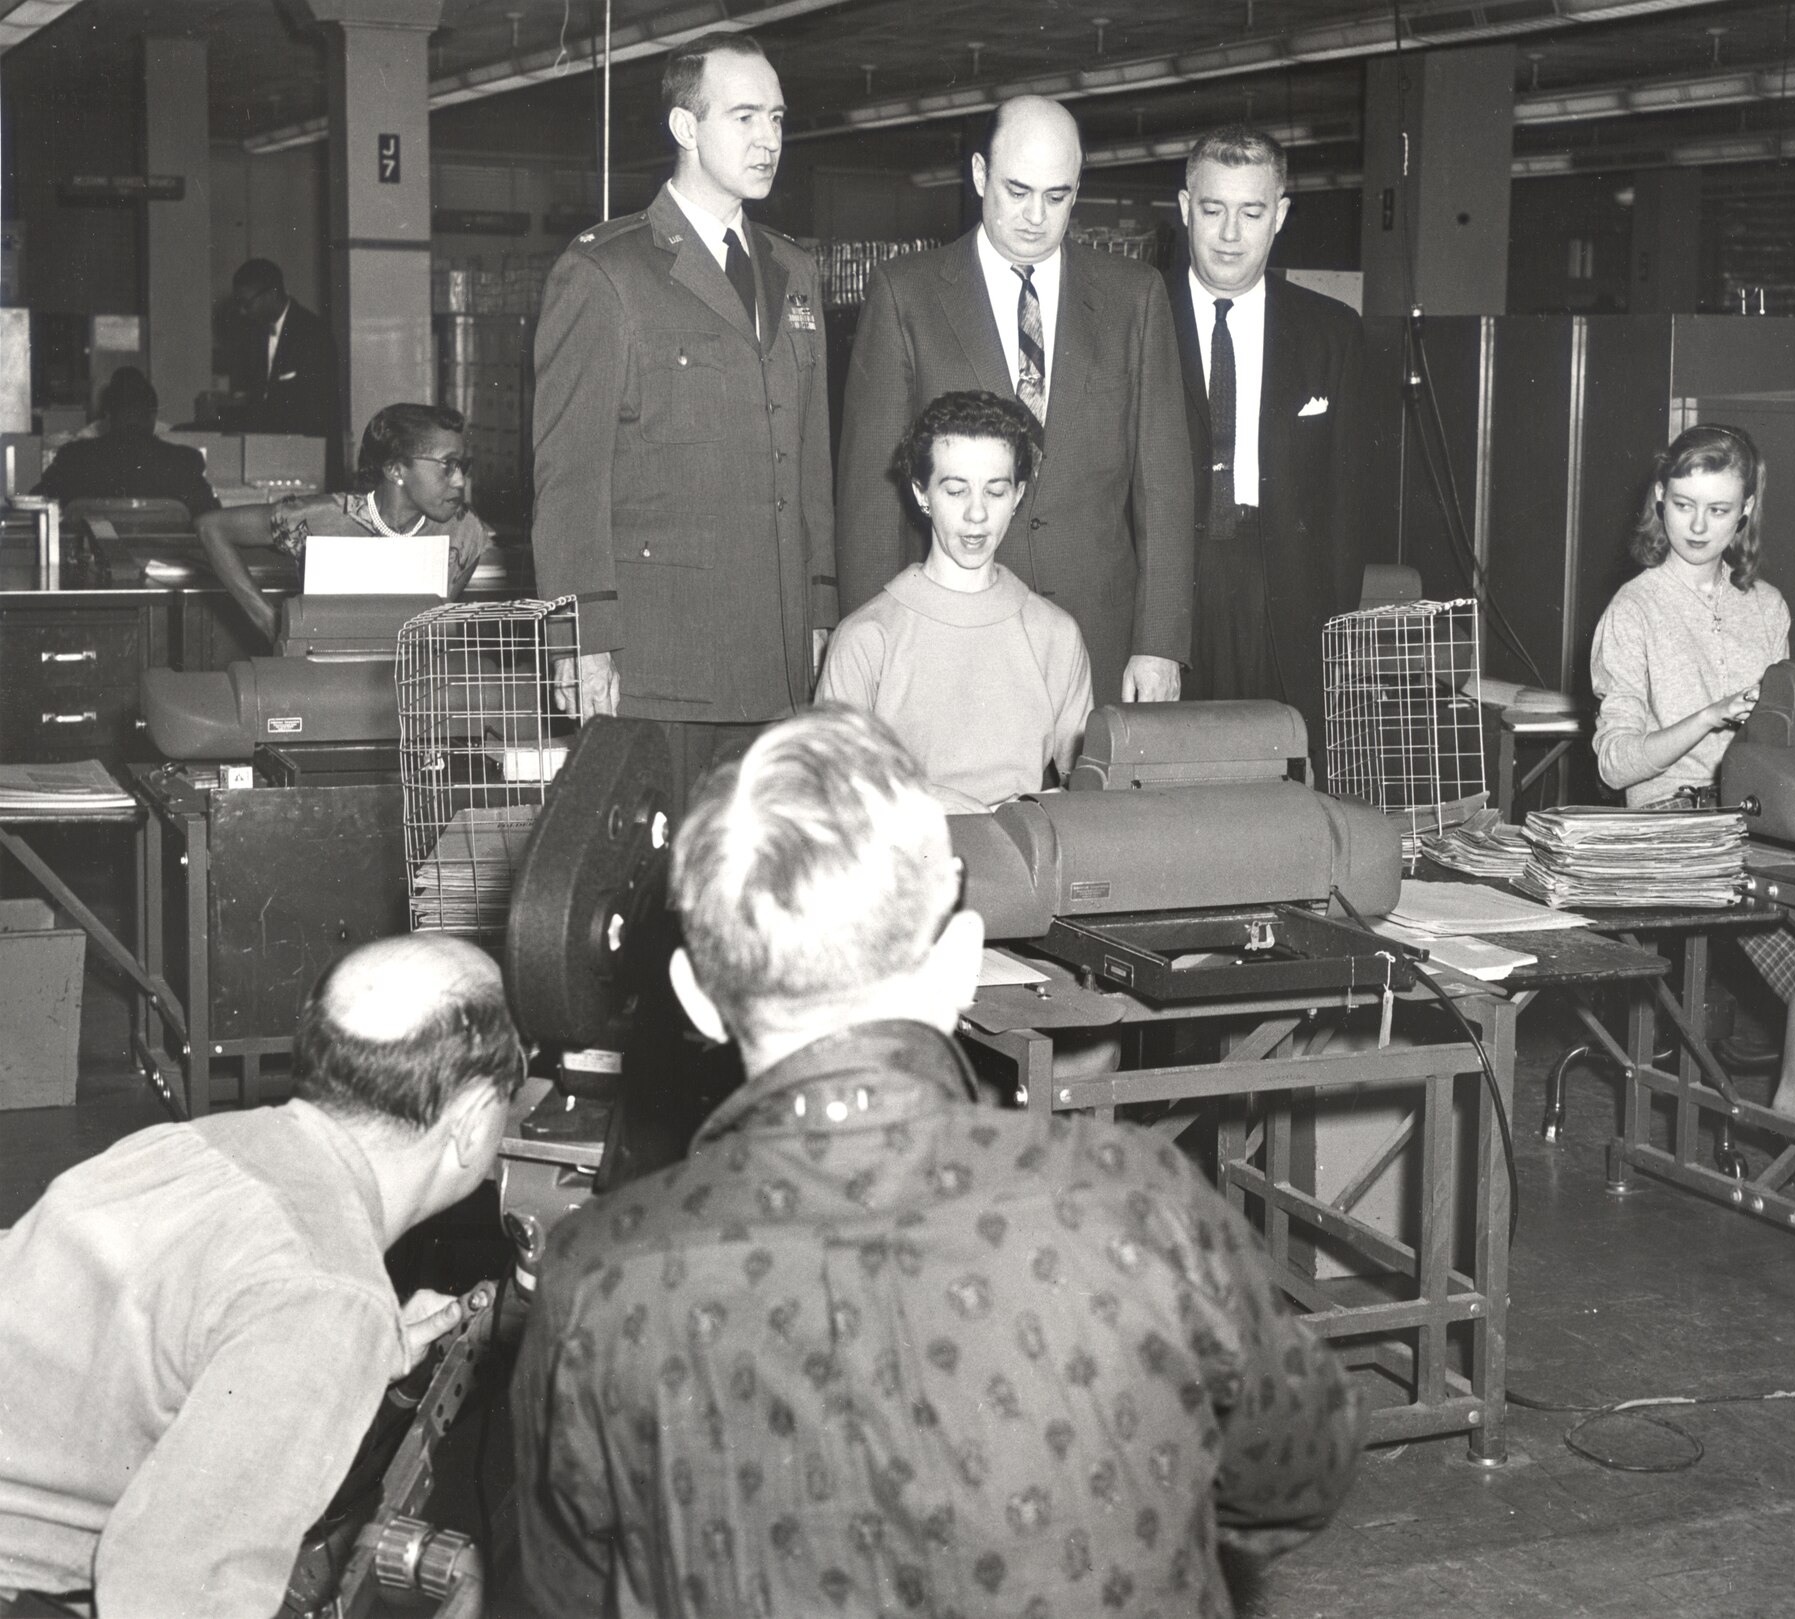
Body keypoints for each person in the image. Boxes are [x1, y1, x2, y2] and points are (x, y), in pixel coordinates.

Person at [512, 705, 1365, 1617]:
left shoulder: (598, 1285)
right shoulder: (1138, 1204)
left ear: (698, 996)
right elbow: (1301, 1471)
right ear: (961, 960)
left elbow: (566, 1590)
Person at [0, 936, 523, 1618]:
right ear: (474, 1120)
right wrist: (331, 1333)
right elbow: (170, 1593)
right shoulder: (325, 1297)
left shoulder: (201, 1142)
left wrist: (348, 1349)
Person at [531, 30, 835, 823]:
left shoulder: (793, 271)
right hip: (662, 663)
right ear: (684, 128)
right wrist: (582, 637)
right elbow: (570, 477)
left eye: (776, 117)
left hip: (775, 659)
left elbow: (810, 465)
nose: (769, 139)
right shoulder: (608, 272)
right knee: (658, 894)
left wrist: (822, 611)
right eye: (744, 117)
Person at [1590, 423, 1795, 1129]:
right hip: (1673, 818)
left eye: (1719, 509)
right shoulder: (1634, 609)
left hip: (1754, 810)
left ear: (1746, 513)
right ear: (1658, 503)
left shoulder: (1767, 606)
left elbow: (1786, 739)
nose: (1698, 525)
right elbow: (1615, 764)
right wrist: (1706, 717)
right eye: (1682, 504)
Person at [836, 95, 1194, 711]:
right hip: (947, 635)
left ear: (1077, 190)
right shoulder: (908, 295)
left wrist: (1159, 642)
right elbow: (871, 494)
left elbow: (1164, 485)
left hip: (1098, 640)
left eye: (1057, 197)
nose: (1035, 216)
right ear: (979, 176)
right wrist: (871, 642)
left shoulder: (1134, 298)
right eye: (1017, 191)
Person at [1169, 127, 1366, 742]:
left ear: (1279, 216)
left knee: (1283, 794)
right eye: (1213, 210)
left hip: (1286, 597)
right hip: (1172, 594)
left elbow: (1347, 499)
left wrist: (1334, 635)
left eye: (1251, 212)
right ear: (1184, 209)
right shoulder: (1137, 318)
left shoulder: (1332, 331)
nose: (1230, 235)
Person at [817, 389, 1092, 810]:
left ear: (1018, 496)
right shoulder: (867, 639)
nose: (977, 514)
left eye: (995, 492)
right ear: (921, 493)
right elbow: (829, 796)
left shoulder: (1055, 634)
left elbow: (1089, 793)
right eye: (956, 491)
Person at [196, 401, 490, 647]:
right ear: (396, 469)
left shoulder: (465, 530)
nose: (460, 481)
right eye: (447, 466)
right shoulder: (323, 517)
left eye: (462, 466)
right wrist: (269, 620)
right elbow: (212, 527)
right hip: (324, 675)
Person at [32, 366, 219, 517]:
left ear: (108, 415)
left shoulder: (74, 457)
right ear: (153, 416)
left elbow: (33, 504)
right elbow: (212, 519)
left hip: (92, 560)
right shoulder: (184, 461)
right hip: (164, 560)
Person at [230, 258, 337, 437]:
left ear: (272, 294)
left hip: (306, 450)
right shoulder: (254, 336)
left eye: (246, 304)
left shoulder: (313, 333)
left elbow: (317, 412)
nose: (242, 311)